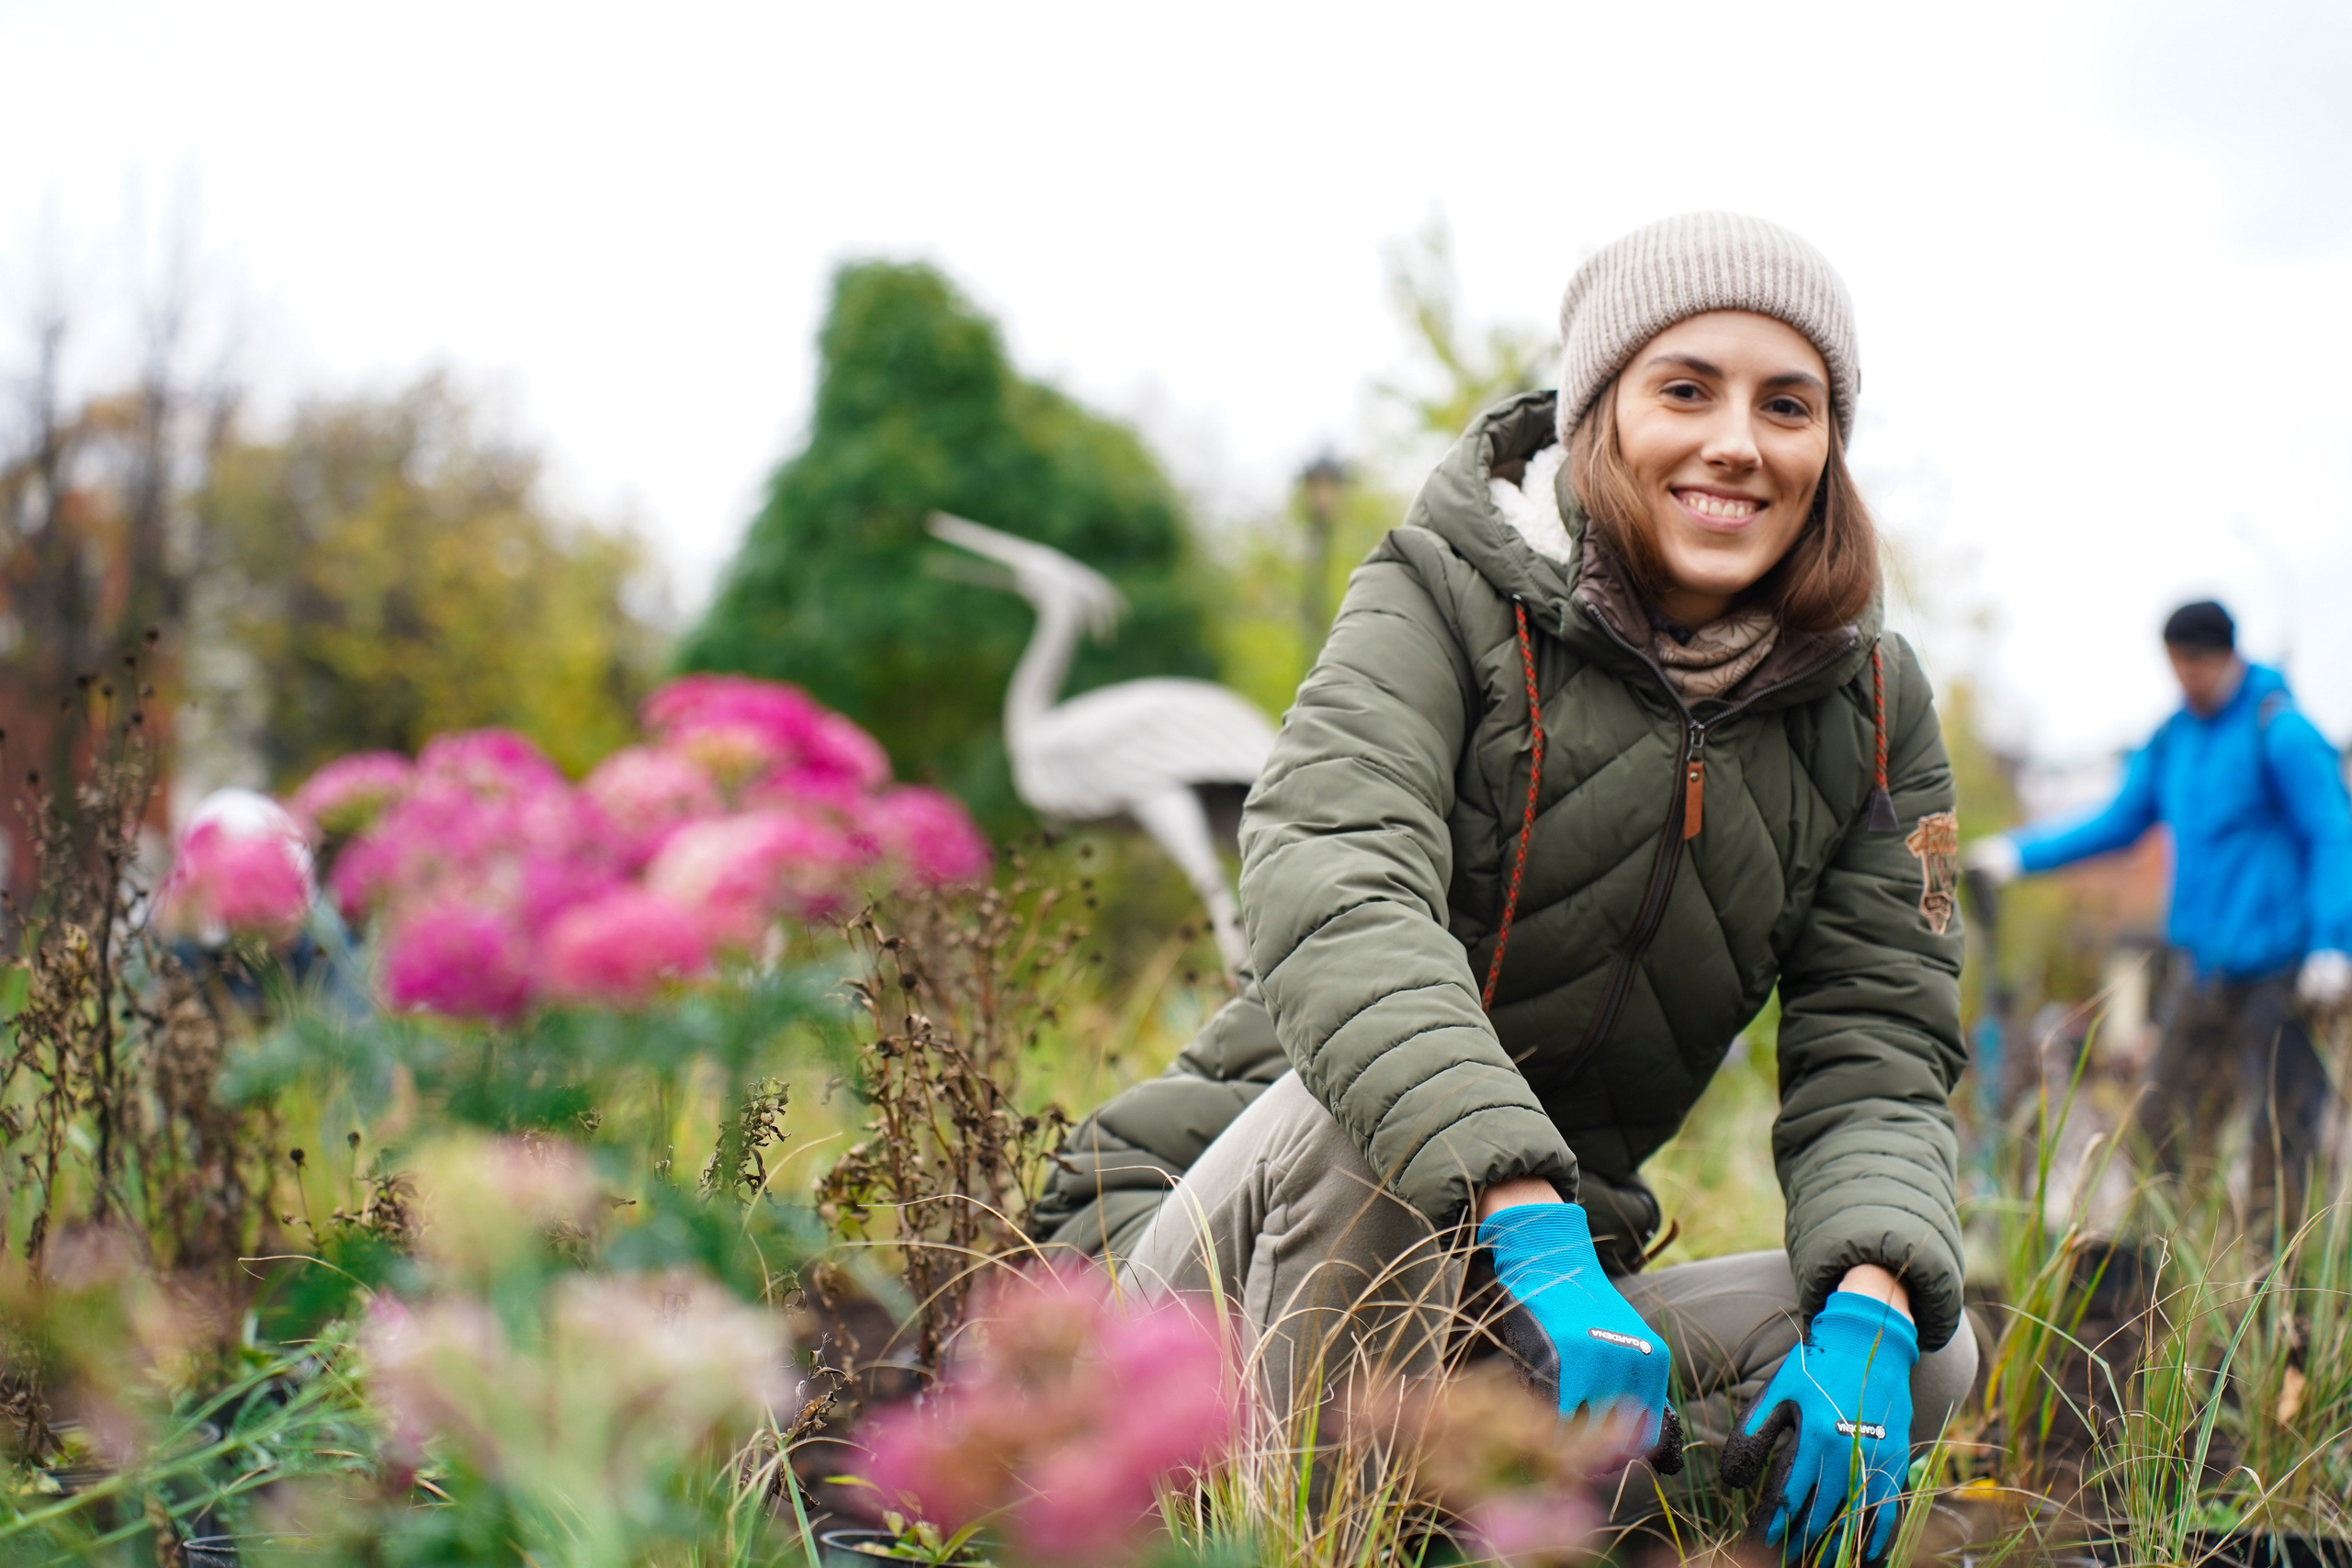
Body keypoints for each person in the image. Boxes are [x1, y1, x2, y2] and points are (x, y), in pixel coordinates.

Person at [1031, 214, 1975, 1562]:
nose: (1738, 443)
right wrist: (1529, 1217)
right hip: (1219, 1275)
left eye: (1790, 405)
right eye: (1686, 389)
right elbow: (1337, 890)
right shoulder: (1438, 595)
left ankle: (1470, 1517)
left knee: (1930, 1354)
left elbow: (1884, 1038)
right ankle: (1255, 1523)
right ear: (1598, 414)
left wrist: (1876, 1294)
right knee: (1373, 1105)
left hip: (1509, 1312)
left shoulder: (1874, 708)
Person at [1969, 600, 2352, 1223]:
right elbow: (2120, 818)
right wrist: (2018, 854)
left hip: (2283, 973)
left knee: (2281, 1139)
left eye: (2196, 666)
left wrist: (2334, 943)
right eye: (2176, 667)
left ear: (2226, 655)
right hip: (2202, 968)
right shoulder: (2176, 740)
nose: (2187, 680)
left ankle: (2276, 1291)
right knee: (2162, 1127)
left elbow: (2333, 833)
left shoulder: (2278, 730)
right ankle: (2157, 1271)